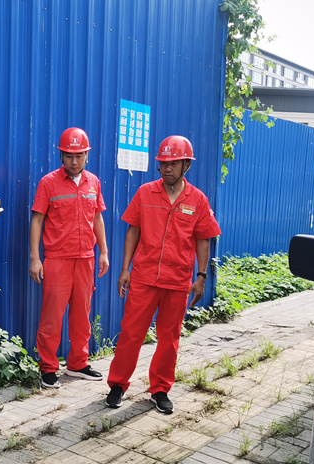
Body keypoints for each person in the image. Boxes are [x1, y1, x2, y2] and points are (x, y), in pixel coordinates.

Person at [105, 135, 221, 413]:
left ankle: (160, 389)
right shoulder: (145, 193)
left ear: (186, 165)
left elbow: (203, 239)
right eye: (163, 163)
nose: (167, 168)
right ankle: (117, 385)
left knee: (169, 339)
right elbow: (133, 231)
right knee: (131, 333)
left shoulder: (198, 200)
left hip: (178, 282)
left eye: (173, 163)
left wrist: (201, 277)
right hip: (144, 278)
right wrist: (125, 269)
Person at [29, 127, 109, 389]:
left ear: (87, 155)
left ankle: (78, 363)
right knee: (52, 317)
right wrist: (35, 258)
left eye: (79, 156)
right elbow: (37, 220)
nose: (74, 161)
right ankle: (48, 367)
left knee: (82, 316)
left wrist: (104, 252)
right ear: (61, 156)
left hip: (86, 258)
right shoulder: (48, 183)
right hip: (57, 259)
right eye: (69, 156)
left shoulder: (93, 182)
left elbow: (97, 218)